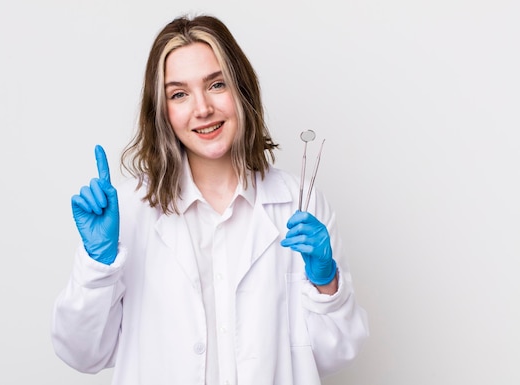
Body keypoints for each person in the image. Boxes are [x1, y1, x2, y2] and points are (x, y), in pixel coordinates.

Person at [51, 14, 368, 385]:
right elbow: (83, 353)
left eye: (216, 84)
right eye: (179, 94)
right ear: (162, 111)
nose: (202, 109)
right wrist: (98, 267)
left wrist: (325, 282)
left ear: (242, 91)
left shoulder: (297, 203)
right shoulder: (129, 210)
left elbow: (337, 354)